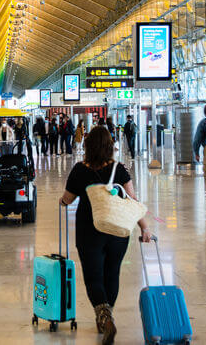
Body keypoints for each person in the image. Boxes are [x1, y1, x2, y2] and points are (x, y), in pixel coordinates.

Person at [60, 126, 151, 345]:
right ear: (111, 147)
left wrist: (62, 201)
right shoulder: (119, 169)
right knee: (112, 273)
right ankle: (108, 314)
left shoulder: (80, 170)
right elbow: (132, 201)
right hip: (118, 230)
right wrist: (144, 227)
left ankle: (104, 316)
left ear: (88, 146)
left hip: (89, 229)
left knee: (93, 276)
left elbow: (68, 199)